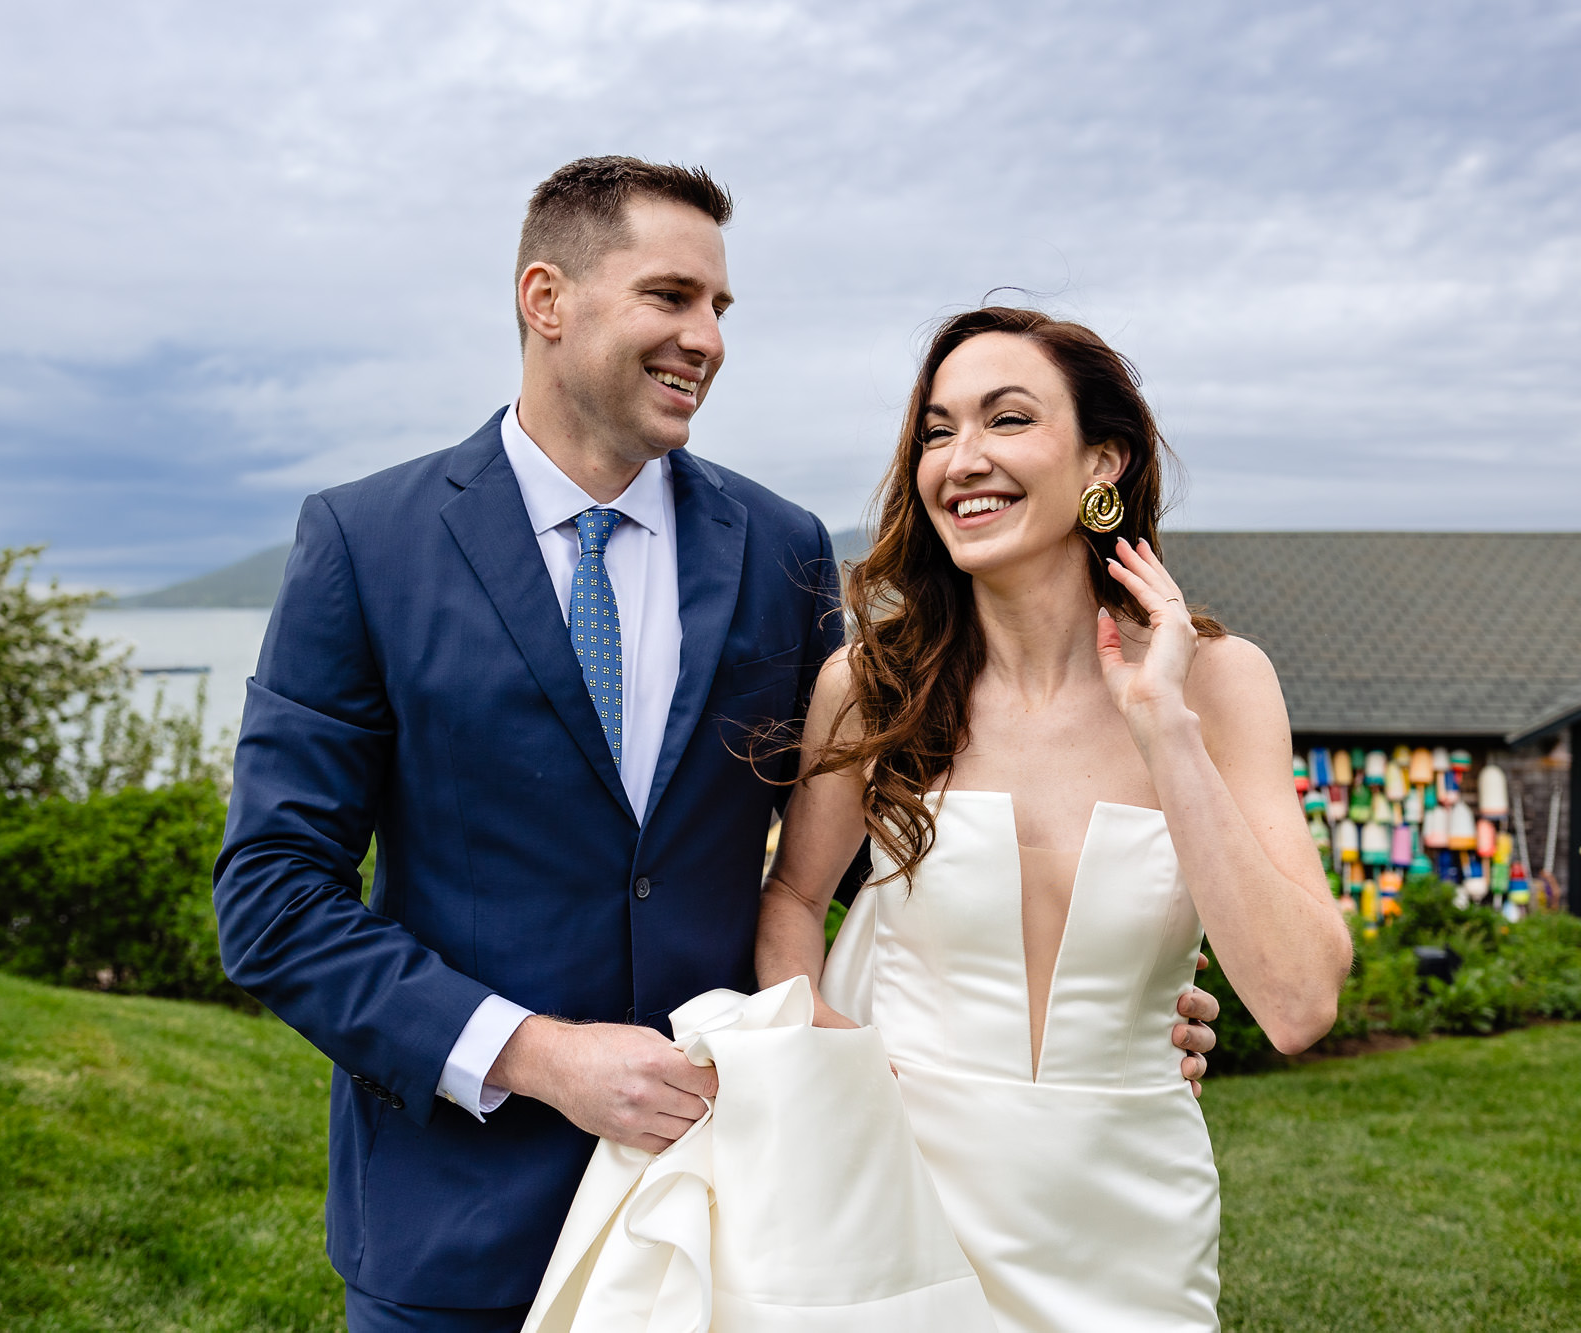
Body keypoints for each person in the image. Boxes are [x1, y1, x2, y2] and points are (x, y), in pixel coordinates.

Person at [215, 160, 1219, 1333]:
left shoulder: (780, 552)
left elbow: (878, 858)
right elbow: (275, 898)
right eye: (671, 297)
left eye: (720, 310)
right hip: (454, 1228)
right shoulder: (365, 542)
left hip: (734, 1212)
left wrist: (1096, 975)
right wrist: (536, 1055)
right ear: (546, 299)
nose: (706, 338)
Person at [755, 306, 1353, 1332]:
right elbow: (793, 902)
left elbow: (1296, 1003)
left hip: (1125, 1223)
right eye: (936, 431)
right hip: (891, 1196)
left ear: (1101, 460)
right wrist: (832, 1063)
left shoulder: (1222, 681)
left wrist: (1165, 728)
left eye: (1006, 419)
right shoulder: (868, 685)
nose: (960, 459)